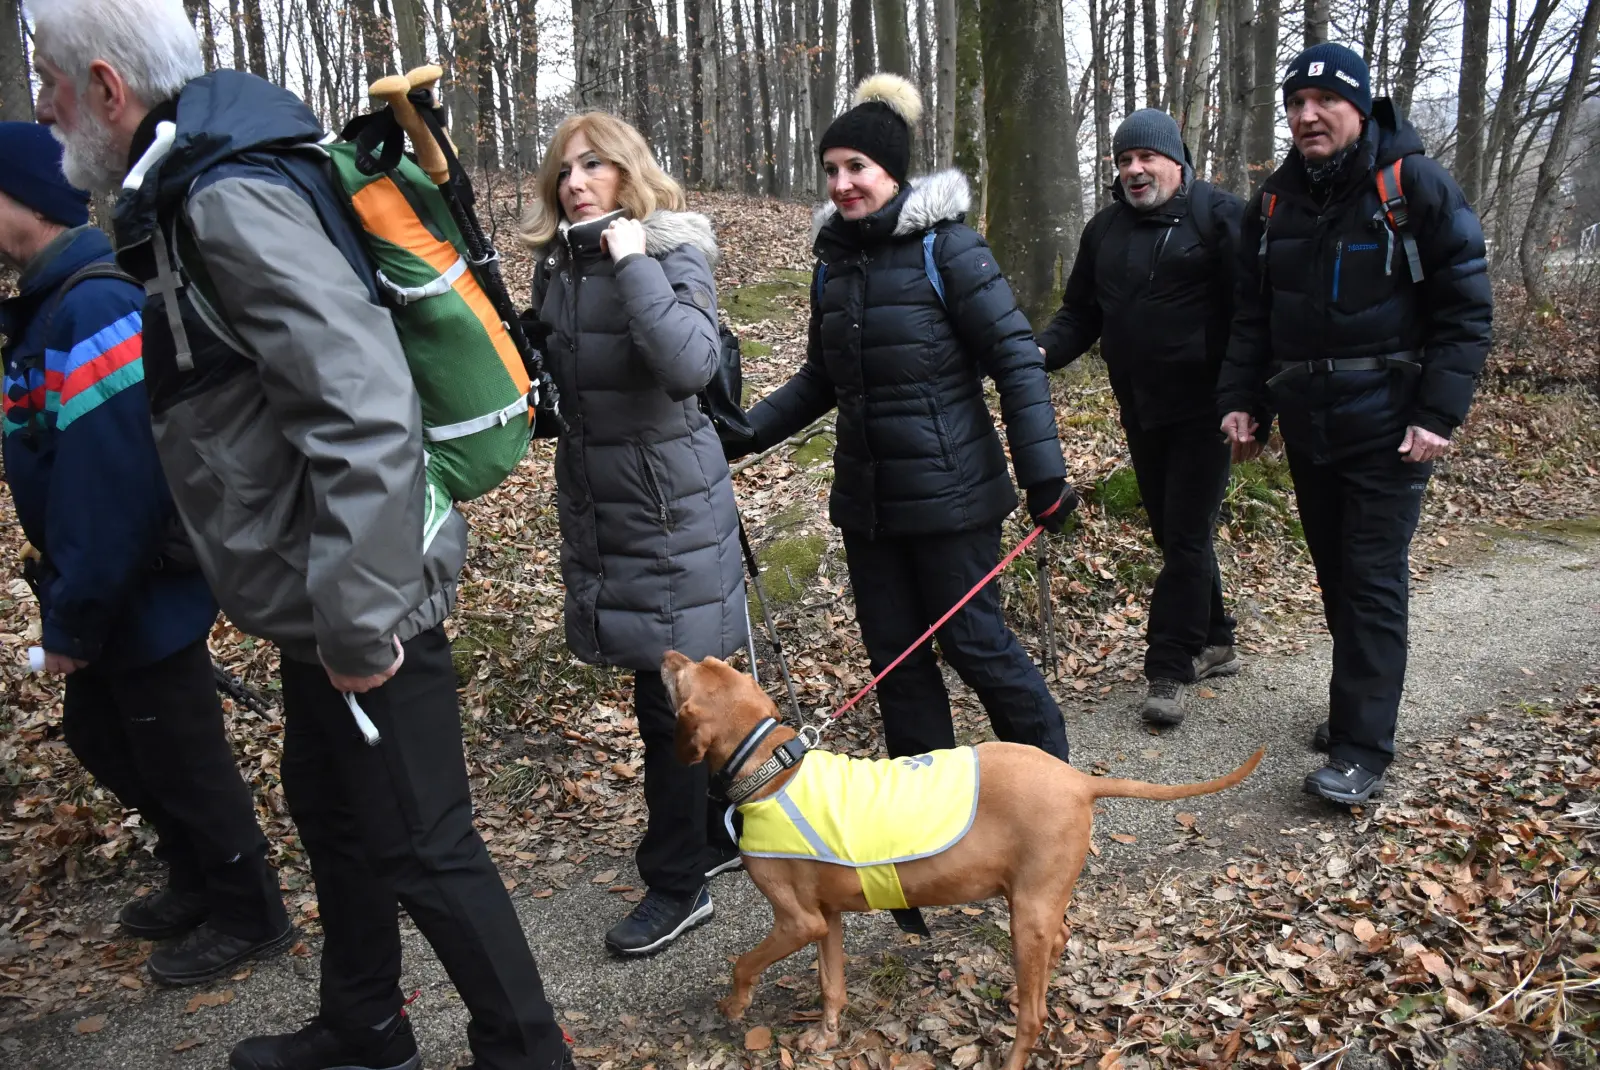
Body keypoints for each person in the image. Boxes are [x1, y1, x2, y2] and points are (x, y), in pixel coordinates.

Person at [27, 2, 573, 1068]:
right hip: (318, 577)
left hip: (367, 579)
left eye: (45, 79)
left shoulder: (225, 201)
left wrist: (361, 622)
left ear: (104, 84)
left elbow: (364, 409)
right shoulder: (184, 190)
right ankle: (366, 1024)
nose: (38, 105)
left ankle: (529, 1051)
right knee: (331, 807)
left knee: (427, 840)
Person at [0, 120, 290, 985]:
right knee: (106, 734)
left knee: (181, 753)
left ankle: (252, 911)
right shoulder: (52, 303)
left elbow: (111, 485)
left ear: (31, 203)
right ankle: (198, 876)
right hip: (103, 583)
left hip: (140, 584)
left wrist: (74, 617)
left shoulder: (93, 304)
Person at [733, 74, 1075, 768]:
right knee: (896, 661)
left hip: (954, 499)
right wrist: (737, 435)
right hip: (869, 507)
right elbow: (818, 381)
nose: (841, 183)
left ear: (890, 171)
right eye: (831, 169)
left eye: (856, 167)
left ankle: (1052, 787)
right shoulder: (834, 267)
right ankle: (926, 815)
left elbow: (1016, 359)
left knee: (976, 643)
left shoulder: (948, 250)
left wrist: (1044, 473)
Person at [1217, 43, 1492, 805]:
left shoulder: (1415, 186)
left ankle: (1362, 749)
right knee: (1338, 575)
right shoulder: (1274, 202)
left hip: (1391, 426)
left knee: (1370, 581)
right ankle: (1353, 707)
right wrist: (1243, 402)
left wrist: (1439, 412)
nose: (1307, 115)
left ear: (1361, 106)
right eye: (1295, 104)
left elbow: (1465, 308)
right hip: (1311, 424)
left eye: (1323, 102)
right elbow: (1253, 316)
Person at [519, 111, 749, 958]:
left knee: (673, 707)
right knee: (667, 699)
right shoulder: (557, 274)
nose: (575, 181)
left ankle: (676, 883)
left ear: (630, 173)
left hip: (669, 519)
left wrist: (631, 259)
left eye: (595, 166)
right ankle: (720, 836)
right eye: (564, 170)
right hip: (604, 512)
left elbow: (689, 365)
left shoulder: (673, 250)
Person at [1039, 109, 1245, 729]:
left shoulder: (1220, 218)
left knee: (1184, 534)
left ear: (1175, 159)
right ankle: (1217, 637)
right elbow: (1080, 314)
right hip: (1141, 406)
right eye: (1123, 160)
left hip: (1207, 409)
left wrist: (1252, 401)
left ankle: (1170, 667)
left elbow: (1251, 317)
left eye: (1145, 158)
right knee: (1173, 530)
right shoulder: (1104, 231)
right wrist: (1037, 353)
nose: (1133, 170)